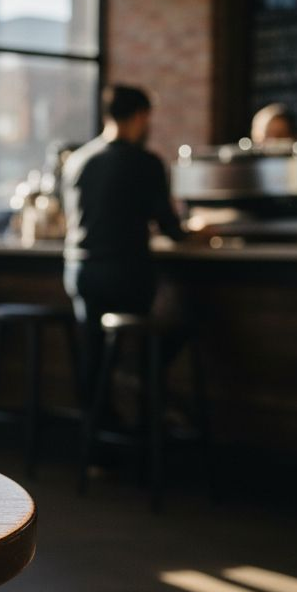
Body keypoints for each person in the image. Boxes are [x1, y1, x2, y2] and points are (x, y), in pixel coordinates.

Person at [62, 84, 200, 408]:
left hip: (80, 272)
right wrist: (199, 230)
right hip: (126, 276)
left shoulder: (76, 160)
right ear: (141, 116)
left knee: (94, 354)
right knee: (187, 313)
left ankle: (97, 448)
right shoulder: (145, 162)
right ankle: (141, 379)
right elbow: (171, 230)